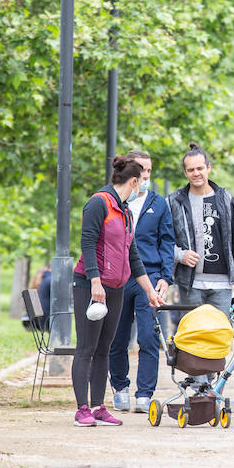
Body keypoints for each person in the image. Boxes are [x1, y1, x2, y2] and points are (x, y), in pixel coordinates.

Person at [72, 155, 165, 427]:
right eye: (142, 180)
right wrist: (95, 281)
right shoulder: (98, 203)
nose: (143, 185)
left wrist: (149, 291)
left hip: (116, 287)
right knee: (87, 347)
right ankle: (82, 409)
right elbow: (87, 244)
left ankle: (99, 407)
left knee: (104, 348)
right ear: (133, 181)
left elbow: (132, 255)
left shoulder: (124, 210)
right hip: (90, 286)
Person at [108, 150, 175, 415]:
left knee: (149, 337)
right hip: (119, 278)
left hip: (149, 278)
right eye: (141, 170)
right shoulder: (114, 201)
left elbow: (167, 242)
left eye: (149, 170)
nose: (146, 175)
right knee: (117, 337)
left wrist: (165, 278)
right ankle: (120, 388)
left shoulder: (159, 204)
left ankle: (145, 393)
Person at [168, 142, 234, 318]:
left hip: (222, 286)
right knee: (192, 336)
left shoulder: (226, 199)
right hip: (190, 284)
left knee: (219, 336)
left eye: (200, 168)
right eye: (191, 170)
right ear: (185, 172)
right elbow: (163, 241)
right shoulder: (174, 202)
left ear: (208, 168)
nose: (196, 173)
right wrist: (180, 255)